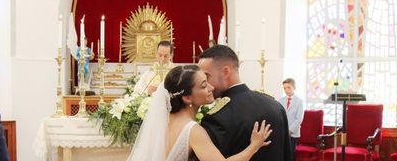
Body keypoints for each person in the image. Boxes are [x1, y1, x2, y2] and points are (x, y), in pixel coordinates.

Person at [128, 64, 271, 161]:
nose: (211, 87)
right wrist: (254, 146)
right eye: (203, 86)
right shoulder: (193, 130)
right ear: (187, 97)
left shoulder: (163, 120)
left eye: (207, 81)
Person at [196, 45, 291, 161]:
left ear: (226, 72)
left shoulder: (217, 118)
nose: (205, 83)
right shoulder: (276, 106)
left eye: (206, 76)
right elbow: (287, 155)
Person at [279, 78, 304, 160]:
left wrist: (290, 130)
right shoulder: (281, 100)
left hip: (293, 133)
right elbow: (280, 116)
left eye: (288, 87)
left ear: (294, 87)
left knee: (290, 153)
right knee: (282, 153)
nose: (286, 90)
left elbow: (299, 119)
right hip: (283, 132)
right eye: (284, 88)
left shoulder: (299, 101)